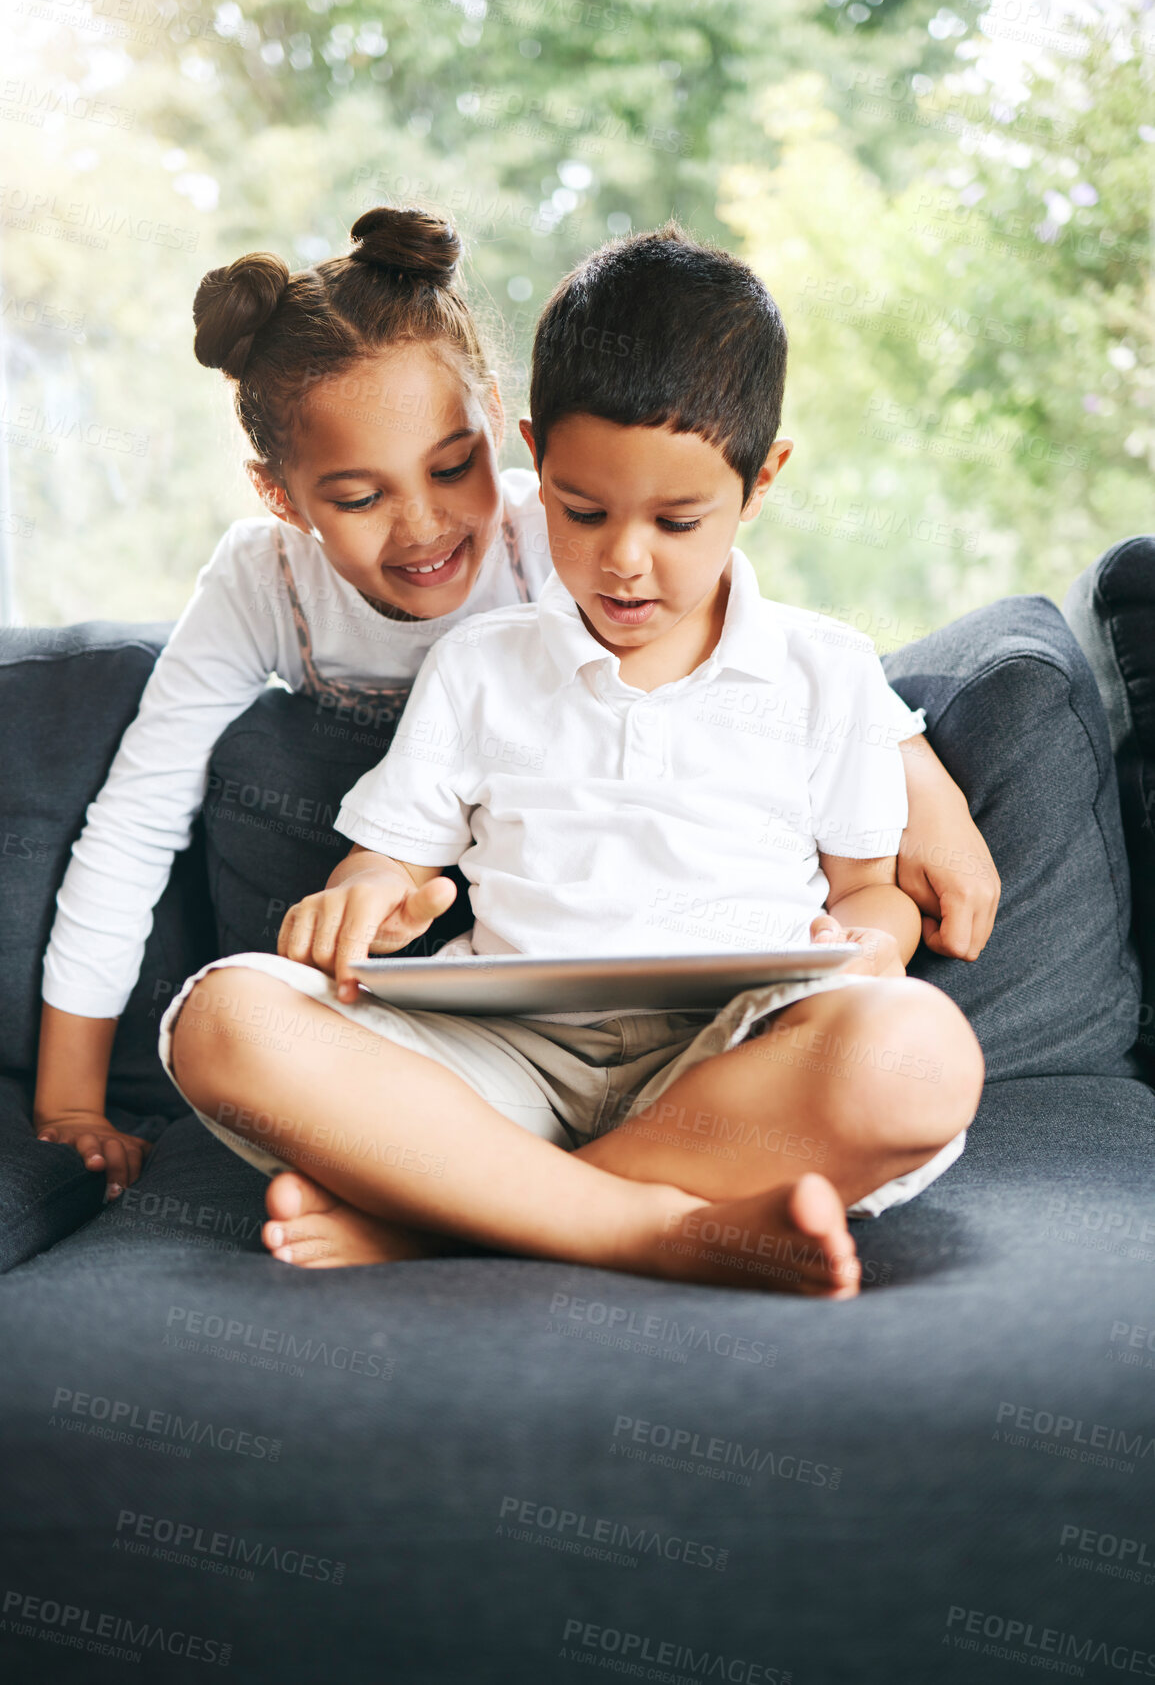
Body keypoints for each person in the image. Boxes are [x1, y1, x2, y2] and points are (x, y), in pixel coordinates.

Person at [161, 224, 987, 1298]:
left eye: (679, 520)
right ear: (532, 455)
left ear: (762, 479)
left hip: (730, 1064)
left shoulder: (826, 674)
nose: (625, 561)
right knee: (227, 1020)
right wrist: (364, 900)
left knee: (921, 1056)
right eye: (582, 511)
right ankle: (638, 1225)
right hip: (506, 1059)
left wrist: (867, 950)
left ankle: (459, 1218)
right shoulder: (481, 664)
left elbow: (878, 901)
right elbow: (382, 864)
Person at [33, 206, 552, 1196]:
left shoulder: (557, 541)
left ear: (492, 409)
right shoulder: (261, 581)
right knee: (238, 1031)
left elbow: (745, 645)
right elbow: (136, 821)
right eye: (359, 499)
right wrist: (69, 1107)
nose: (424, 525)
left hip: (547, 943)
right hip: (367, 977)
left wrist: (907, 778)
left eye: (454, 465)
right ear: (280, 495)